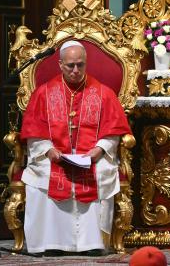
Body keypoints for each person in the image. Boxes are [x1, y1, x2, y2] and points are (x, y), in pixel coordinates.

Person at [20, 40, 131, 254]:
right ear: (60, 64)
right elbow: (34, 131)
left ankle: (93, 244)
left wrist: (99, 149)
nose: (75, 70)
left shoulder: (103, 93)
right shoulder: (44, 93)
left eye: (80, 65)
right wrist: (48, 150)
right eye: (70, 65)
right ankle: (50, 243)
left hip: (91, 157)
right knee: (41, 173)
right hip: (54, 156)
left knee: (102, 170)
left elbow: (114, 131)